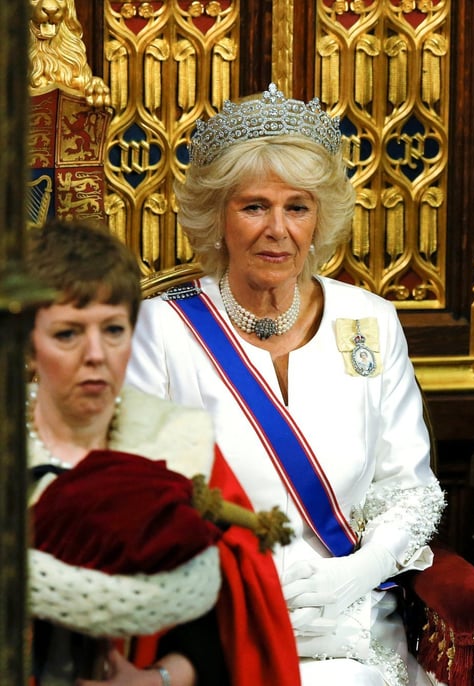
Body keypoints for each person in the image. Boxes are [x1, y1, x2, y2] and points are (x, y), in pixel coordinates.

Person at [125, 84, 445, 686]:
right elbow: (143, 505)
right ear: (216, 216)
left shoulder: (369, 321)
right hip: (219, 617)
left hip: (350, 619)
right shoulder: (159, 333)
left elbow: (411, 488)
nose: (278, 229)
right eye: (254, 206)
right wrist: (247, 588)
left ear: (319, 217)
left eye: (297, 207)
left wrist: (358, 572)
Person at [24, 219, 300, 686]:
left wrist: (156, 679)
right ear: (26, 345)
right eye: (68, 334)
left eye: (113, 330)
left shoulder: (180, 446)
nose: (96, 354)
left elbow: (235, 632)